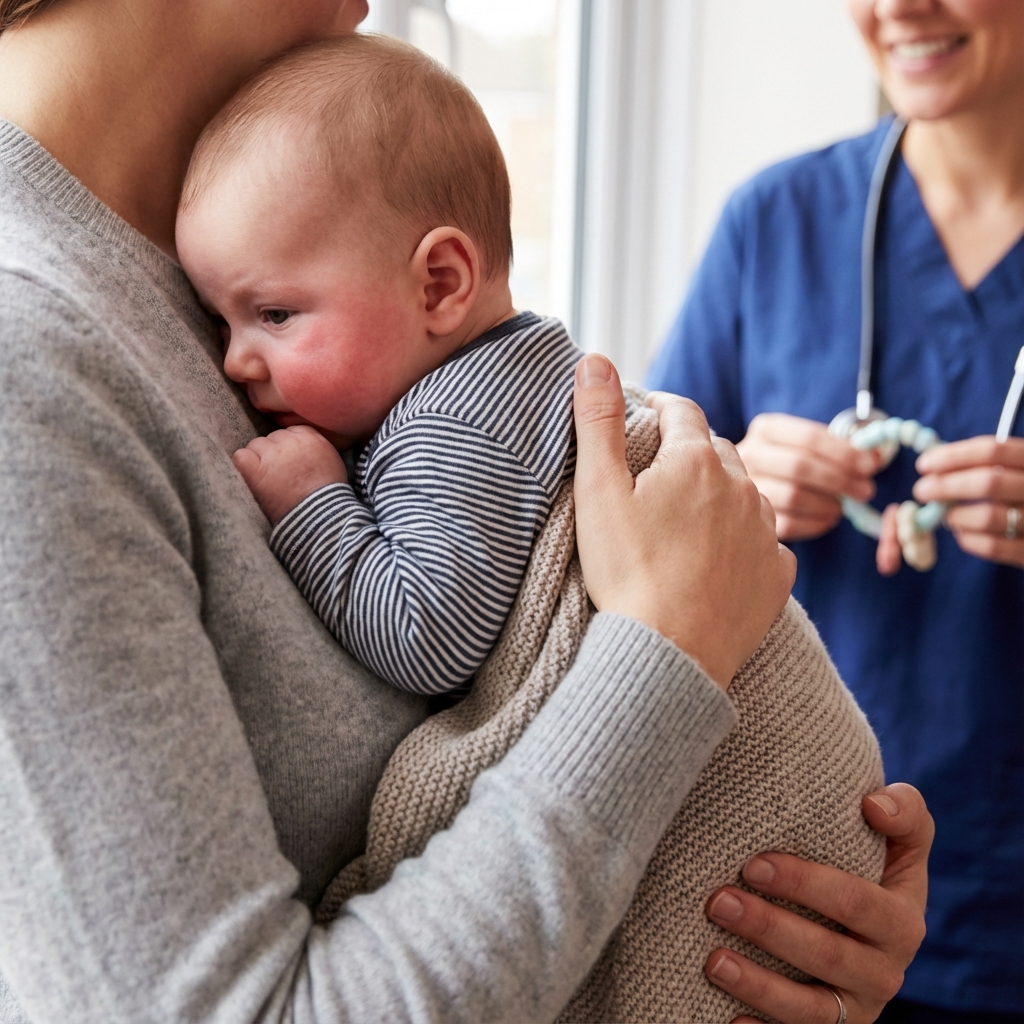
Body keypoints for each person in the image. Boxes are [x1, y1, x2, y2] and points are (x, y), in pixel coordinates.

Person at [0, 1, 930, 1022]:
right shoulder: (36, 368)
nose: (242, 361)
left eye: (265, 320)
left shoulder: (275, 229)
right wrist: (669, 650)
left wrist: (776, 888)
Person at [646, 0, 1024, 1020]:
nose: (898, 6)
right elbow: (620, 545)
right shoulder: (774, 225)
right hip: (792, 890)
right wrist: (725, 485)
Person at [177, 34, 583, 697]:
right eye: (222, 321)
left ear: (439, 286)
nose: (235, 361)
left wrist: (313, 504)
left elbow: (425, 640)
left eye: (275, 314)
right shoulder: (523, 368)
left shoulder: (454, 427)